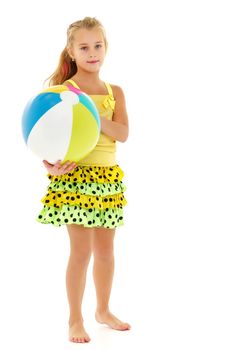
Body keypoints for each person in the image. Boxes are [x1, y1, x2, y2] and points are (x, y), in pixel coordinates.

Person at [36, 17, 130, 343]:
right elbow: (46, 135)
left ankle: (102, 309)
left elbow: (123, 133)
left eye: (98, 46)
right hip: (76, 181)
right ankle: (74, 319)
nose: (93, 53)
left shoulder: (114, 92)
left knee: (106, 251)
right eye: (85, 47)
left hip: (107, 180)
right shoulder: (65, 93)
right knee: (81, 252)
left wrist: (94, 114)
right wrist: (49, 165)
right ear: (72, 52)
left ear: (106, 48)